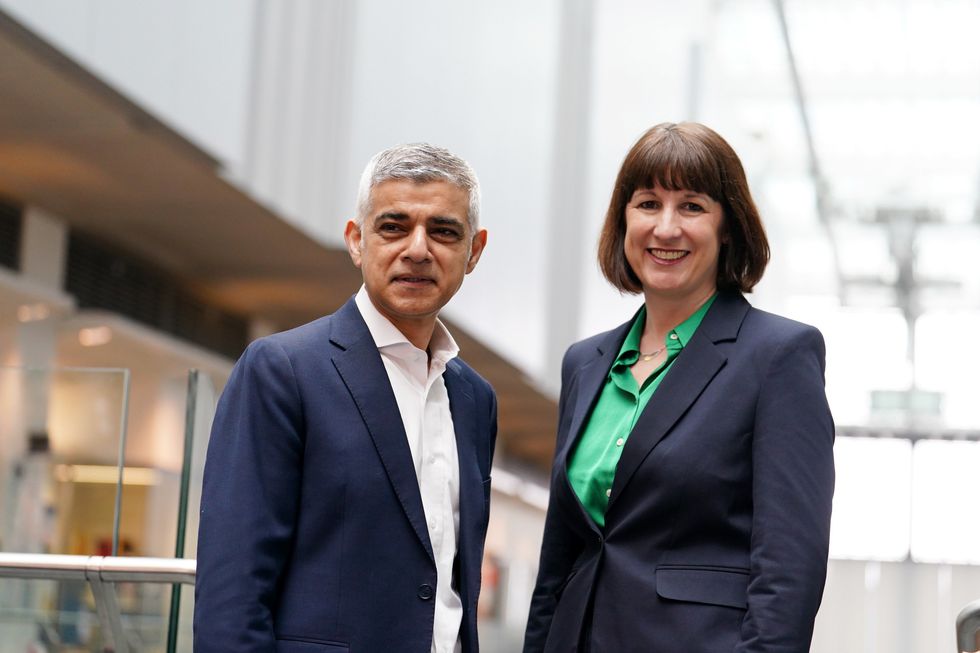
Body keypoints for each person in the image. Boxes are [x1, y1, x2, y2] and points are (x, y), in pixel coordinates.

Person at [523, 122, 834, 652]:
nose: (666, 228)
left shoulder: (777, 357)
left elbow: (788, 571)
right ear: (623, 219)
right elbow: (561, 557)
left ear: (728, 227)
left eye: (691, 206)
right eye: (647, 204)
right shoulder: (586, 363)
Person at [195, 143, 496, 653]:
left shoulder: (473, 399)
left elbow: (447, 584)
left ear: (474, 251)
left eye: (443, 231)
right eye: (393, 227)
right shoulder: (282, 371)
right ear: (356, 241)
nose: (418, 249)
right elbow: (233, 593)